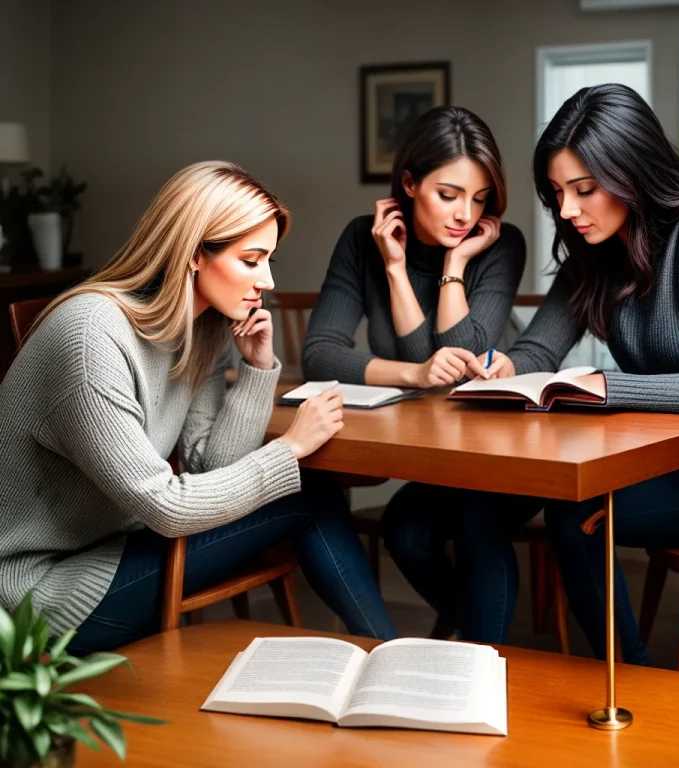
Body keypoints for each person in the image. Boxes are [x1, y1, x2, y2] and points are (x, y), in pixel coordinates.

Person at [0, 161, 396, 652]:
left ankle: (394, 663)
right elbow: (168, 507)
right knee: (309, 496)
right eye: (251, 260)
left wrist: (256, 370)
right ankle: (398, 661)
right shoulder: (89, 338)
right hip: (42, 593)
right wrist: (290, 448)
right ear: (192, 254)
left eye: (268, 260)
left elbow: (212, 467)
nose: (267, 280)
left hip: (117, 549)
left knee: (309, 492)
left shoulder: (203, 328)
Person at [472, 83, 679, 664]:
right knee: (524, 501)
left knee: (575, 510)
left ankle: (632, 681)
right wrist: (506, 368)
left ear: (633, 169)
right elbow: (538, 351)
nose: (567, 210)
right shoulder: (596, 245)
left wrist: (604, 387)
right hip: (666, 457)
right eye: (557, 192)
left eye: (584, 190)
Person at [303, 106, 534, 644]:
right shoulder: (364, 238)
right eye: (448, 195)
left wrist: (455, 265)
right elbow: (320, 353)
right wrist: (394, 269)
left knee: (468, 527)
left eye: (478, 199)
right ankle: (469, 652)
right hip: (435, 444)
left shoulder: (500, 243)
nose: (465, 214)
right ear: (408, 183)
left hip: (503, 444)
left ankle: (477, 659)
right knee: (405, 535)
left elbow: (458, 360)